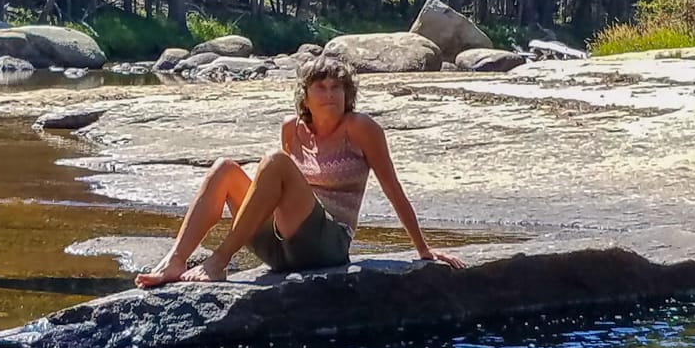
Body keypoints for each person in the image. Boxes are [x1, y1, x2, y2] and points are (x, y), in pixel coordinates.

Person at [135, 56, 465, 287]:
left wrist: (423, 250)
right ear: (304, 96)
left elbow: (393, 188)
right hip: (282, 249)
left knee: (275, 162)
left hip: (327, 246)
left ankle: (218, 261)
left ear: (347, 94)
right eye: (321, 87)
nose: (330, 94)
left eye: (337, 87)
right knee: (224, 169)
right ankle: (175, 260)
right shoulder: (291, 128)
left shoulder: (361, 128)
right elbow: (276, 193)